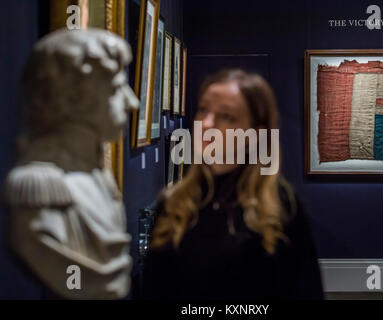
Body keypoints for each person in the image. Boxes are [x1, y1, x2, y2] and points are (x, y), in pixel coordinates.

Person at [140, 69, 323, 300]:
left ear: (255, 135)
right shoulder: (175, 203)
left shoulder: (282, 208)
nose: (206, 124)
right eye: (203, 110)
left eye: (227, 116)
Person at [4, 29, 139, 299]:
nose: (132, 102)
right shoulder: (40, 192)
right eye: (115, 89)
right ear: (75, 100)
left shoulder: (98, 177)